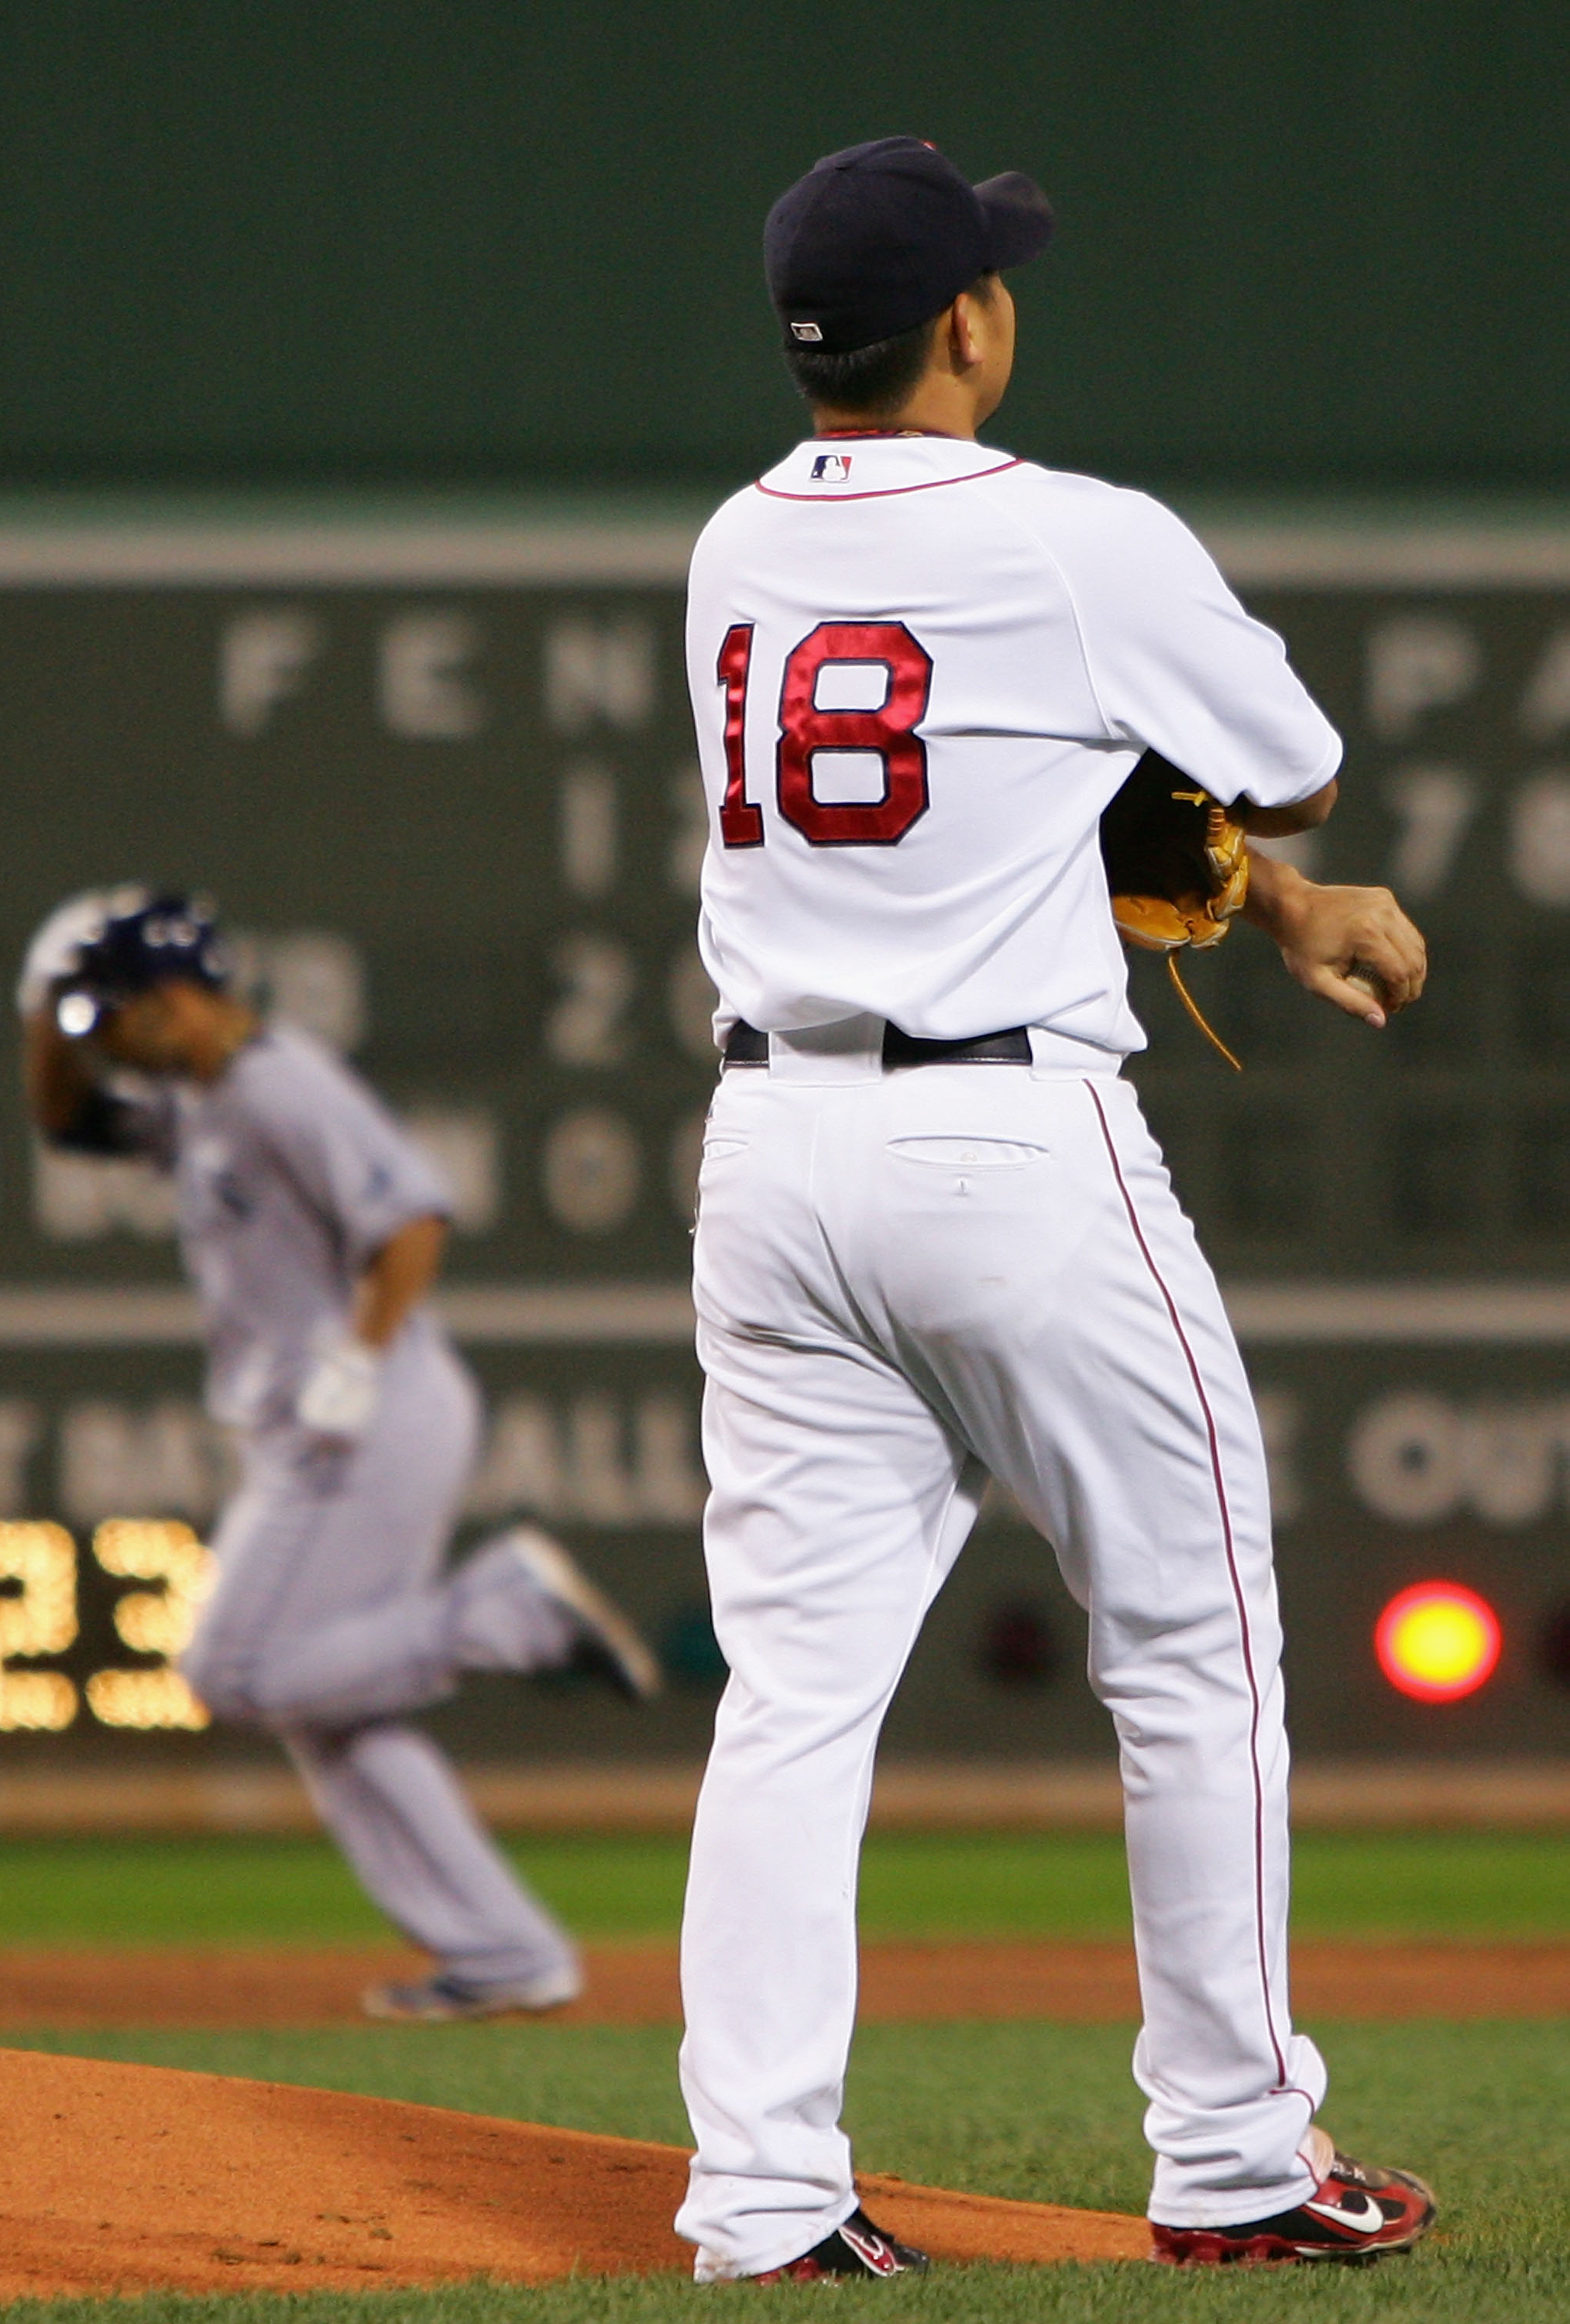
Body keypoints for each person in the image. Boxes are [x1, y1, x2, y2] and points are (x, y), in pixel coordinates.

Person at [674, 138, 1434, 2278]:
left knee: (791, 1695)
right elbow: (1284, 763)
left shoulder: (729, 548)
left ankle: (756, 2199)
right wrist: (1277, 877)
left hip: (770, 1157)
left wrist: (1244, 893)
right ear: (973, 325)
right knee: (1192, 1648)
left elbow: (1002, 770)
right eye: (994, 276)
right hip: (1004, 1145)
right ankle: (1231, 2159)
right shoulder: (1073, 537)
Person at [20, 887, 661, 2021]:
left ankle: (502, 1612)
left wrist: (355, 1363)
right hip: (332, 1419)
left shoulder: (278, 1085)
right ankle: (508, 1954)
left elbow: (412, 1219)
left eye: (111, 1014)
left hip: (363, 1416)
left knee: (234, 1671)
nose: (104, 1038)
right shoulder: (203, 1096)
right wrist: (46, 1008)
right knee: (335, 1715)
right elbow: (70, 1123)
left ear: (171, 1000)